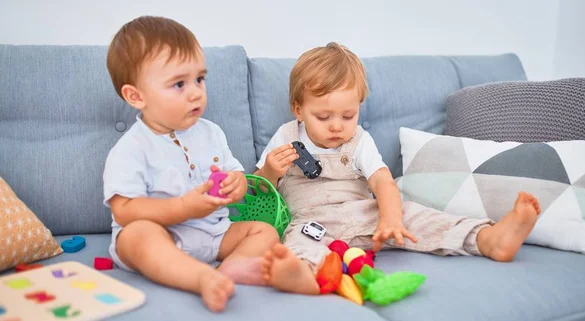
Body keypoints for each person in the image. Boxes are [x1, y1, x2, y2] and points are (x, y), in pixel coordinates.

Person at [257, 42, 541, 295]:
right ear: (298, 110)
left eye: (348, 115)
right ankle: (302, 274)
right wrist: (270, 171)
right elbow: (257, 189)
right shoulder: (286, 136)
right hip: (312, 223)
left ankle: (487, 239)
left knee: (417, 217)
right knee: (295, 243)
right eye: (323, 116)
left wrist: (391, 219)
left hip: (366, 216)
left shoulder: (359, 140)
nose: (336, 125)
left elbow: (382, 182)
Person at [103, 16, 279, 312]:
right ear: (136, 96)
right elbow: (124, 211)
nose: (196, 91)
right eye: (179, 84)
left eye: (199, 79)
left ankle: (228, 272)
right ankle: (200, 278)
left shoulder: (211, 132)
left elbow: (235, 174)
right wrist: (183, 208)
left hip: (215, 234)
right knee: (136, 236)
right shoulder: (131, 148)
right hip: (164, 236)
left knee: (265, 231)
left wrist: (237, 184)